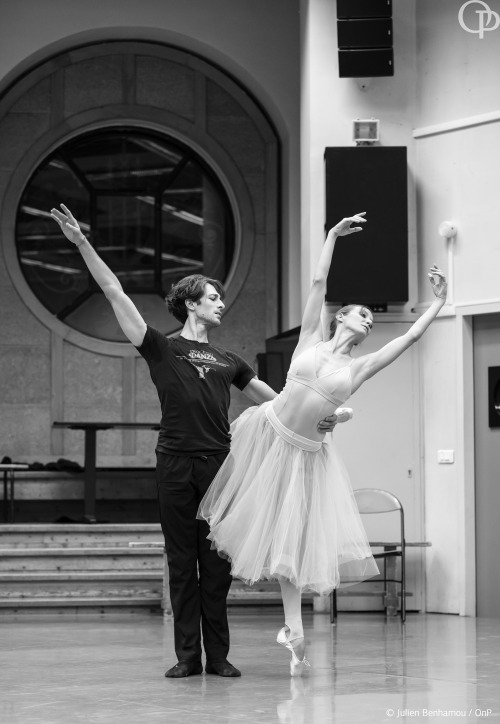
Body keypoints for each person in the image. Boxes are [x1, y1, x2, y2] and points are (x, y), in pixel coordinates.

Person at [50, 203, 347, 680]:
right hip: (173, 464)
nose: (220, 304)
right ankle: (187, 656)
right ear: (191, 303)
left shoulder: (229, 358)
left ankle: (220, 656)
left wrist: (320, 419)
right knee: (181, 560)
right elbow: (113, 290)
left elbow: (280, 402)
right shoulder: (160, 346)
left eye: (219, 298)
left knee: (216, 565)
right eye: (212, 298)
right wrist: (81, 243)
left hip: (220, 467)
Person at [198, 212, 448, 676]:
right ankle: (234, 630)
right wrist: (333, 234)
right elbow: (318, 278)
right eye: (364, 313)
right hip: (267, 436)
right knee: (247, 530)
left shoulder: (358, 368)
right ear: (341, 317)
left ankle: (293, 631)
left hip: (306, 456)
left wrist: (438, 302)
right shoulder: (311, 337)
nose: (370, 321)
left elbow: (411, 336)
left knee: (290, 546)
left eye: (373, 319)